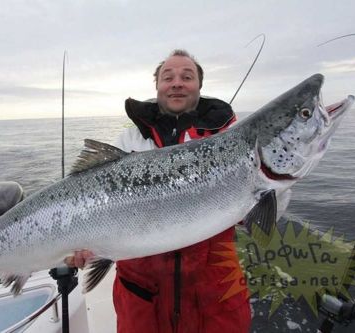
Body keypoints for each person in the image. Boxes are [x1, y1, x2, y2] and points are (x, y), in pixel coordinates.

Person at [66, 49, 251, 333]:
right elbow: (103, 209)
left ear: (199, 86)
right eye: (168, 77)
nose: (177, 83)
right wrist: (80, 247)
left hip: (214, 296)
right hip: (142, 299)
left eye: (187, 76)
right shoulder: (130, 139)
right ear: (157, 86)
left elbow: (256, 212)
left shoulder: (228, 138)